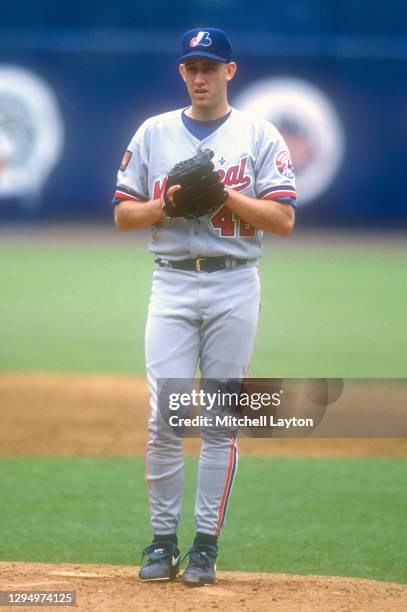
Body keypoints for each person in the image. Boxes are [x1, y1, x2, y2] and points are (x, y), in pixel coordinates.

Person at [112, 27, 296, 586]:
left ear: (229, 72)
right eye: (191, 67)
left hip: (234, 282)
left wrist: (224, 195)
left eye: (209, 67)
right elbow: (123, 216)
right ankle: (162, 542)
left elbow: (284, 221)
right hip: (170, 283)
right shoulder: (153, 133)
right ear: (181, 72)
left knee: (219, 422)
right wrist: (166, 203)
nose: (199, 77)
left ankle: (205, 548)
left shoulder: (259, 135)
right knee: (164, 420)